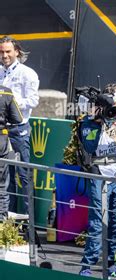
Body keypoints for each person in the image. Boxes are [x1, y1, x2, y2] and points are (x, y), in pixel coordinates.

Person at [78, 93, 116, 280]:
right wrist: (97, 121)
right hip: (100, 176)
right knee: (97, 222)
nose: (111, 113)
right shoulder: (88, 123)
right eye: (108, 109)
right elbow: (89, 146)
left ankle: (110, 264)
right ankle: (86, 266)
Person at [0, 36, 39, 213]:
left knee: (24, 174)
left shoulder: (27, 73)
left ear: (16, 52)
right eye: (1, 52)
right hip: (1, 131)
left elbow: (33, 100)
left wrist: (11, 102)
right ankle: (5, 218)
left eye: (8, 51)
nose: (5, 55)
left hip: (19, 128)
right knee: (3, 175)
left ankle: (29, 222)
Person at [0, 85, 23, 219]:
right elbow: (18, 118)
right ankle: (1, 223)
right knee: (2, 185)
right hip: (1, 139)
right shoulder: (6, 91)